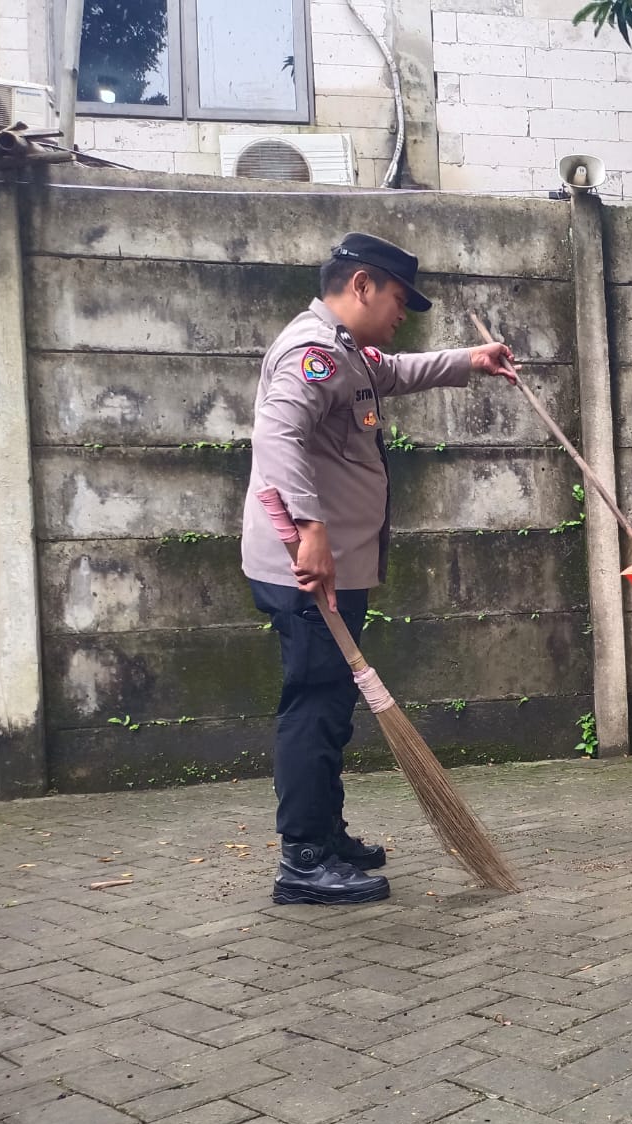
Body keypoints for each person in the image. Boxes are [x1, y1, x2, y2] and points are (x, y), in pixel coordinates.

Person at [242, 233, 517, 904]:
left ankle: (323, 833)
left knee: (332, 705)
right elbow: (276, 438)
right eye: (398, 299)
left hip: (334, 566)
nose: (403, 314)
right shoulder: (311, 354)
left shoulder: (342, 351)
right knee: (313, 705)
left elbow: (389, 374)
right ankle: (302, 860)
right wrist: (309, 529)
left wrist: (469, 360)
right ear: (361, 284)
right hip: (305, 568)